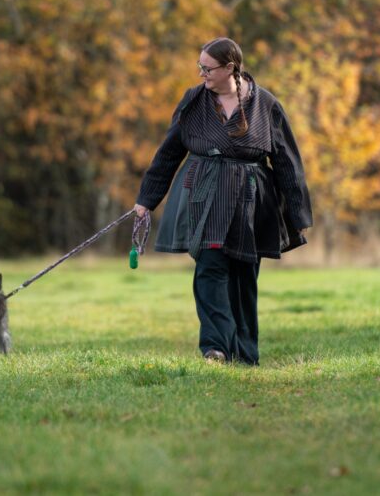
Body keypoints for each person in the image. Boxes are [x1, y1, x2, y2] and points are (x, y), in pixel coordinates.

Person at [134, 37, 312, 365]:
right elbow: (169, 153)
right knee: (210, 269)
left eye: (208, 68)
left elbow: (287, 160)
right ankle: (215, 348)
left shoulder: (266, 105)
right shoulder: (194, 101)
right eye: (199, 67)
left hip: (251, 201)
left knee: (244, 278)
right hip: (205, 197)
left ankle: (245, 354)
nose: (202, 74)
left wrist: (297, 213)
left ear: (230, 67)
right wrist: (147, 199)